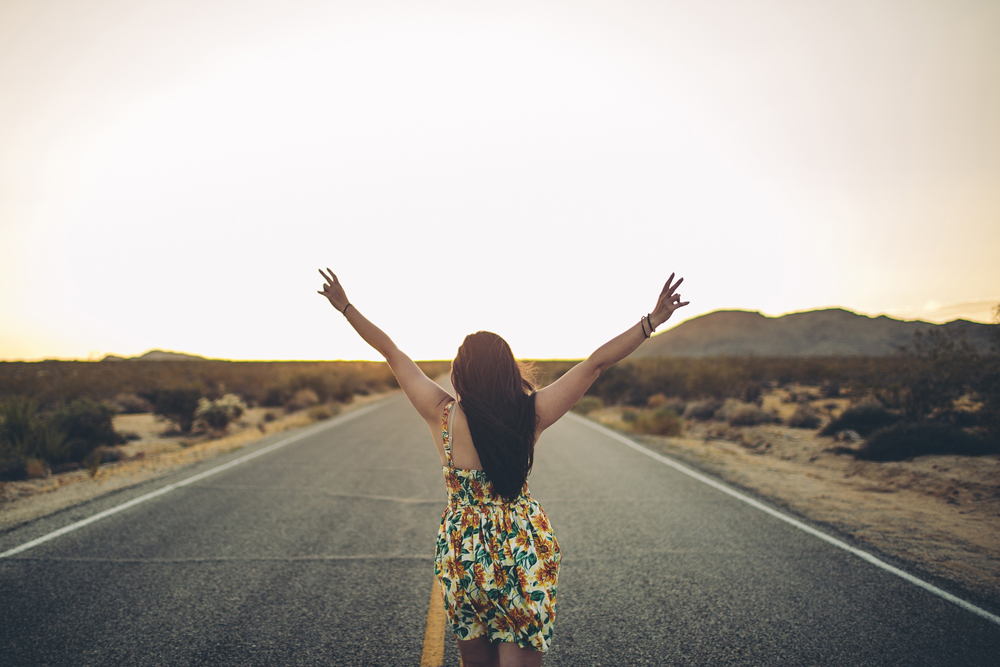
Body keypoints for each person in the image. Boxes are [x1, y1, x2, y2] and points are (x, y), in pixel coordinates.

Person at [317, 269, 688, 667]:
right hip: (521, 548)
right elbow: (596, 363)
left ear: (461, 372)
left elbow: (392, 352)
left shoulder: (442, 415)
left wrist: (346, 307)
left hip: (465, 554)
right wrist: (651, 322)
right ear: (508, 370)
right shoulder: (531, 414)